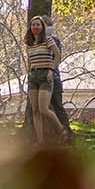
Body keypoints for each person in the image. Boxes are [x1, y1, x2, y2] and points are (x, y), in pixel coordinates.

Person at [24, 15, 68, 145]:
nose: (35, 27)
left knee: (44, 109)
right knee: (35, 110)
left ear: (42, 27)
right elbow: (30, 61)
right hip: (33, 76)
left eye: (38, 24)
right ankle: (40, 141)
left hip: (46, 76)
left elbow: (58, 55)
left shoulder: (48, 40)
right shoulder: (30, 44)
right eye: (33, 25)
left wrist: (51, 70)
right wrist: (30, 72)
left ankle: (61, 129)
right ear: (30, 28)